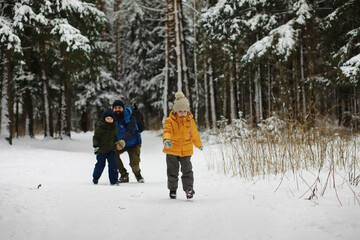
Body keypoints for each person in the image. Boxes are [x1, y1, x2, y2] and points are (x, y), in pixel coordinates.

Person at [162, 91, 203, 199]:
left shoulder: (190, 121)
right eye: (180, 111)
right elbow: (168, 131)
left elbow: (194, 134)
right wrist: (166, 139)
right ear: (175, 110)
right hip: (172, 150)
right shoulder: (169, 120)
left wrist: (198, 144)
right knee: (172, 171)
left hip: (186, 150)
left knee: (187, 170)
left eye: (185, 111)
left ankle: (188, 189)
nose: (182, 113)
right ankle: (172, 189)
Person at [112, 100, 144, 183]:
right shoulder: (112, 118)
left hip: (133, 143)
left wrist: (123, 140)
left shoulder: (129, 117)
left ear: (122, 108)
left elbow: (131, 130)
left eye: (119, 107)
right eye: (115, 108)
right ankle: (124, 175)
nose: (117, 109)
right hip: (120, 144)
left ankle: (138, 175)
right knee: (112, 154)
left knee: (134, 164)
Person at [92, 109, 119, 185]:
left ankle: (114, 181)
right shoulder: (100, 127)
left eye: (111, 119)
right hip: (101, 150)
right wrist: (96, 146)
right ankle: (95, 177)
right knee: (100, 165)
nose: (109, 120)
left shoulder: (114, 128)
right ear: (104, 119)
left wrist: (118, 144)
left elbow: (116, 138)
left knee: (113, 165)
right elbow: (95, 137)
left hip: (111, 150)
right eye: (107, 118)